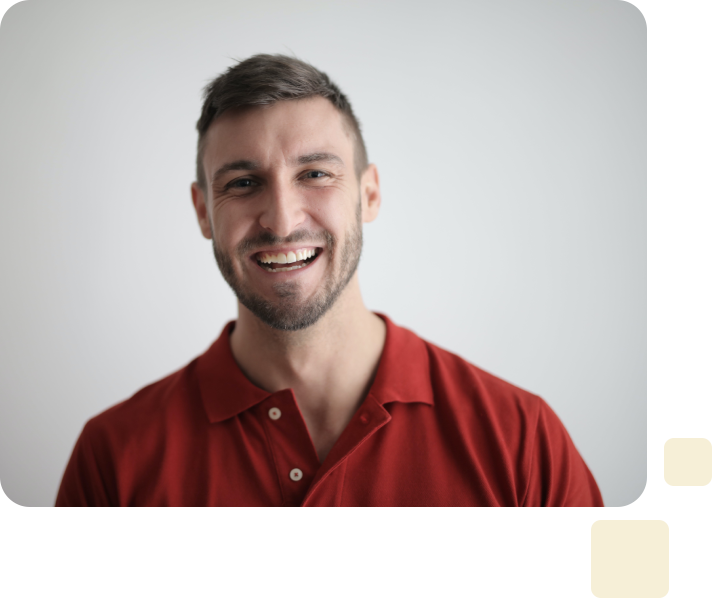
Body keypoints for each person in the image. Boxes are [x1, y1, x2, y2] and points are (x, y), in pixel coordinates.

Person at [55, 54, 604, 515]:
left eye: (315, 174)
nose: (282, 218)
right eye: (243, 183)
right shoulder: (114, 461)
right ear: (203, 213)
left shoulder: (522, 442)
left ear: (368, 194)